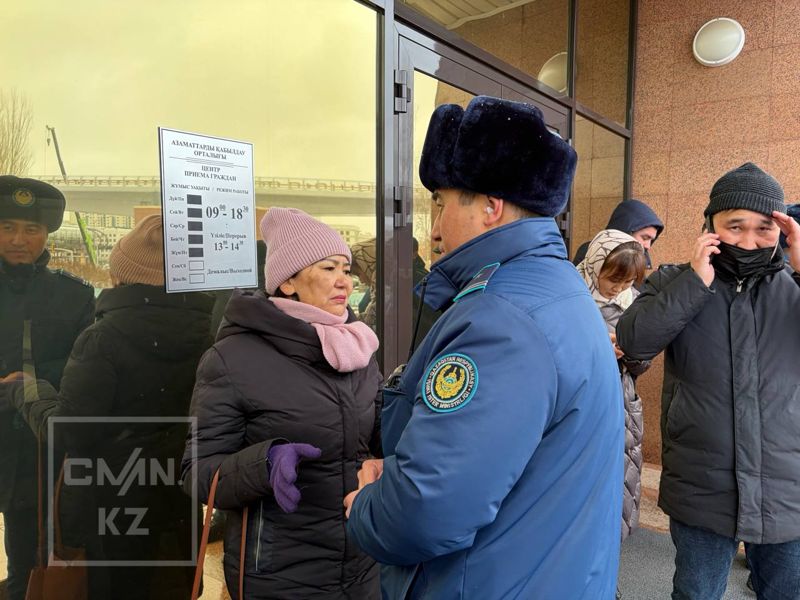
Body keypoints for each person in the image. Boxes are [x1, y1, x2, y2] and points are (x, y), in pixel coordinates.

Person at [344, 96, 624, 599]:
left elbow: (427, 512)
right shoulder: (555, 288)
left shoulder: (500, 319)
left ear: (491, 207)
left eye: (442, 203)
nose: (433, 229)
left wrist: (368, 502)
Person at [1, 214, 213, 598]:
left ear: (123, 274)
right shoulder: (207, 335)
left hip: (110, 507)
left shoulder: (103, 337)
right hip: (174, 500)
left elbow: (70, 433)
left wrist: (28, 390)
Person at [617, 162, 800, 600]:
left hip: (788, 489)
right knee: (696, 593)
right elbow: (635, 340)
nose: (749, 240)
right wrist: (694, 285)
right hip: (702, 487)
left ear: (783, 230)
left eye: (763, 228)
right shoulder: (674, 280)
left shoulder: (793, 286)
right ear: (710, 224)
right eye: (734, 225)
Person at [181, 207, 382, 599]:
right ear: (288, 282)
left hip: (362, 564)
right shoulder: (233, 358)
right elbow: (198, 471)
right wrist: (263, 464)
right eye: (328, 268)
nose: (344, 280)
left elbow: (374, 443)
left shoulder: (357, 349)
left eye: (346, 268)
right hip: (279, 574)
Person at [0, 175, 94, 600]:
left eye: (32, 229)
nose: (20, 239)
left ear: (46, 233)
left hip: (38, 451)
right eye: (8, 227)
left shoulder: (73, 297)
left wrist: (34, 382)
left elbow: (85, 366)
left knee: (30, 550)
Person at [577, 229, 650, 543]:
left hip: (620, 401)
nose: (619, 289)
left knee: (617, 485)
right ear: (595, 266)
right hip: (581, 400)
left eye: (627, 282)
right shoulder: (571, 296)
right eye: (613, 281)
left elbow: (643, 363)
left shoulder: (635, 303)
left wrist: (631, 351)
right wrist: (594, 346)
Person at [572, 198, 664, 269]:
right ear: (626, 231)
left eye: (651, 240)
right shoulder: (591, 252)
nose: (648, 246)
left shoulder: (636, 260)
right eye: (644, 238)